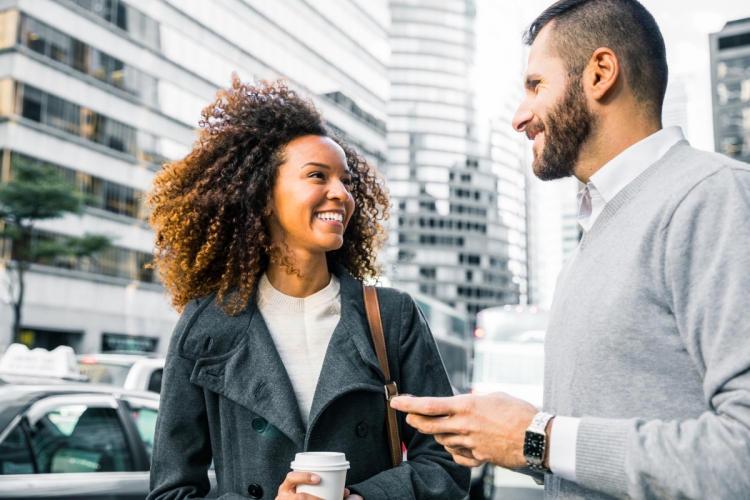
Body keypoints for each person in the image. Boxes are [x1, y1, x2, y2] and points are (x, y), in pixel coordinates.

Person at [390, 0, 750, 499]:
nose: (520, 117)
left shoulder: (715, 198)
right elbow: (598, 456)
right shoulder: (591, 243)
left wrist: (535, 437)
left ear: (600, 72)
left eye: (536, 85)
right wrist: (507, 438)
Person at [146, 77, 469, 500]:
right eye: (317, 175)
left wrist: (362, 499)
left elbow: (446, 463)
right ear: (262, 195)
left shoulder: (392, 316)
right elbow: (170, 492)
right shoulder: (206, 325)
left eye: (346, 181)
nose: (341, 193)